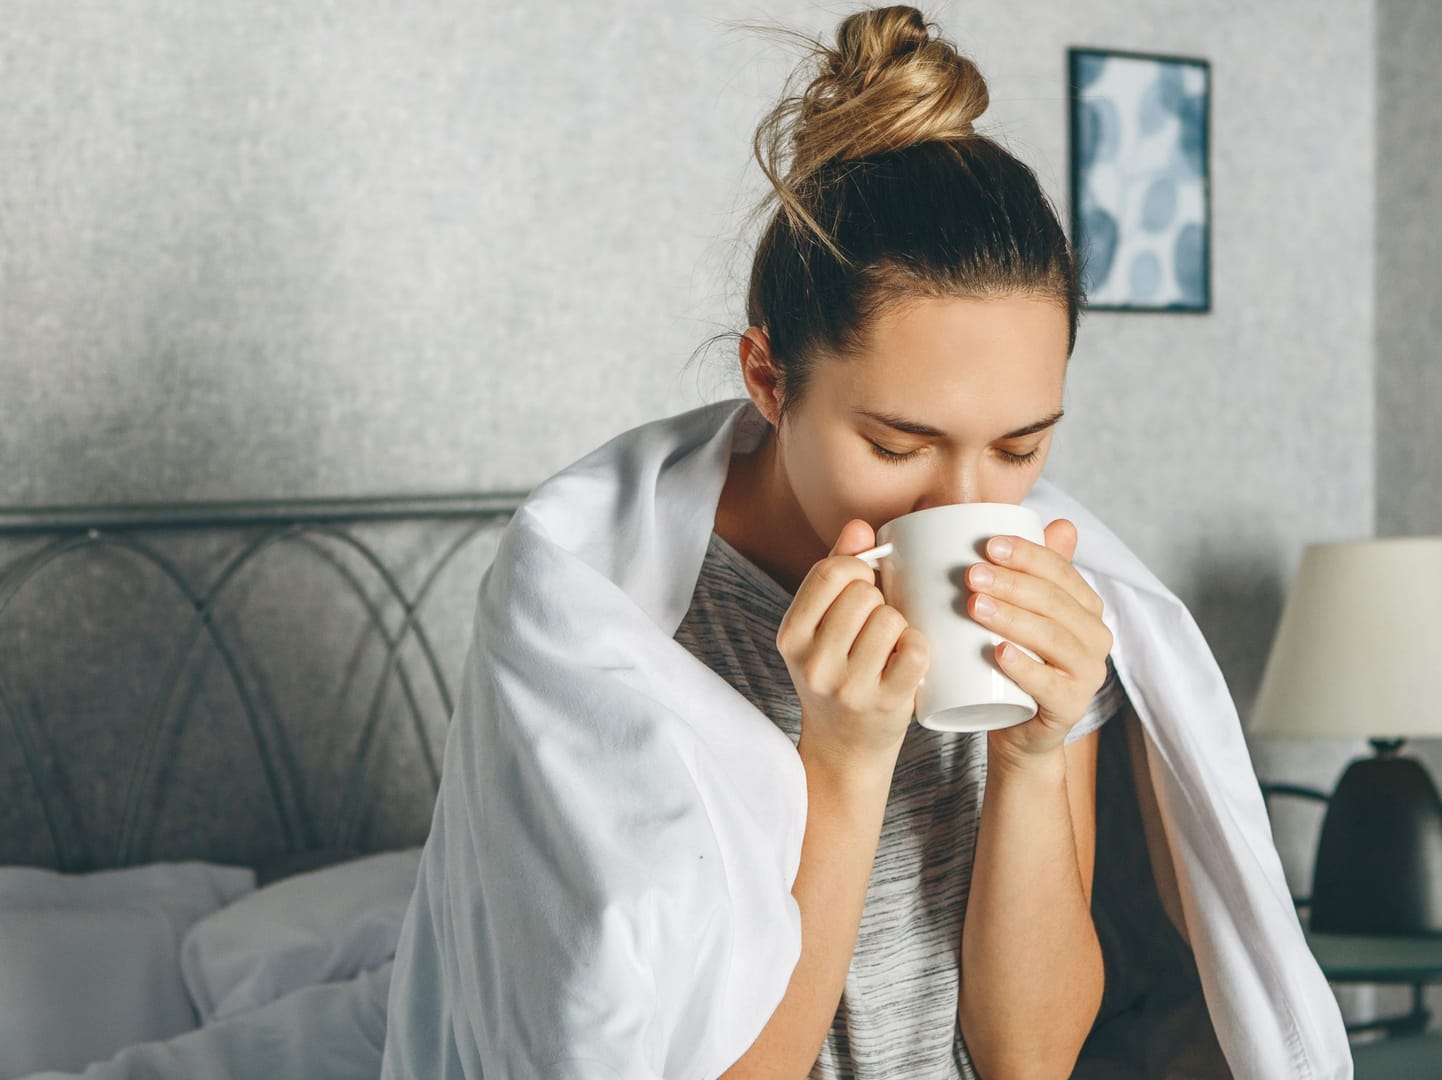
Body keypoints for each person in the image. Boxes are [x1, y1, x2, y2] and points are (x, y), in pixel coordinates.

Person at [382, 7, 1351, 1079]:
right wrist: (840, 767)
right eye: (900, 444)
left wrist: (1034, 754)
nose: (965, 501)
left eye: (1020, 446)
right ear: (769, 379)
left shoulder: (1039, 598)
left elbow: (1029, 1057)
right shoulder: (613, 628)